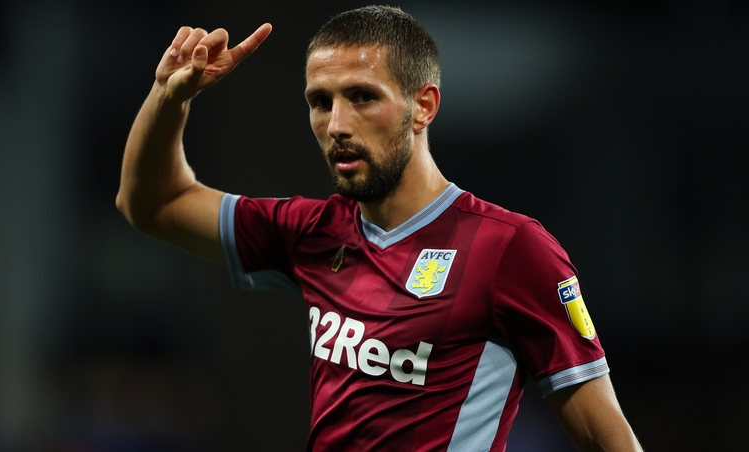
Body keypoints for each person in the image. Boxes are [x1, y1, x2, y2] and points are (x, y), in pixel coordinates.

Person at [117, 5, 643, 452]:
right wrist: (170, 98)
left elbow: (604, 435)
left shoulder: (510, 248)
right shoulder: (311, 231)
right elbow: (152, 204)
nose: (337, 125)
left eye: (362, 97)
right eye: (320, 102)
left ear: (423, 106)